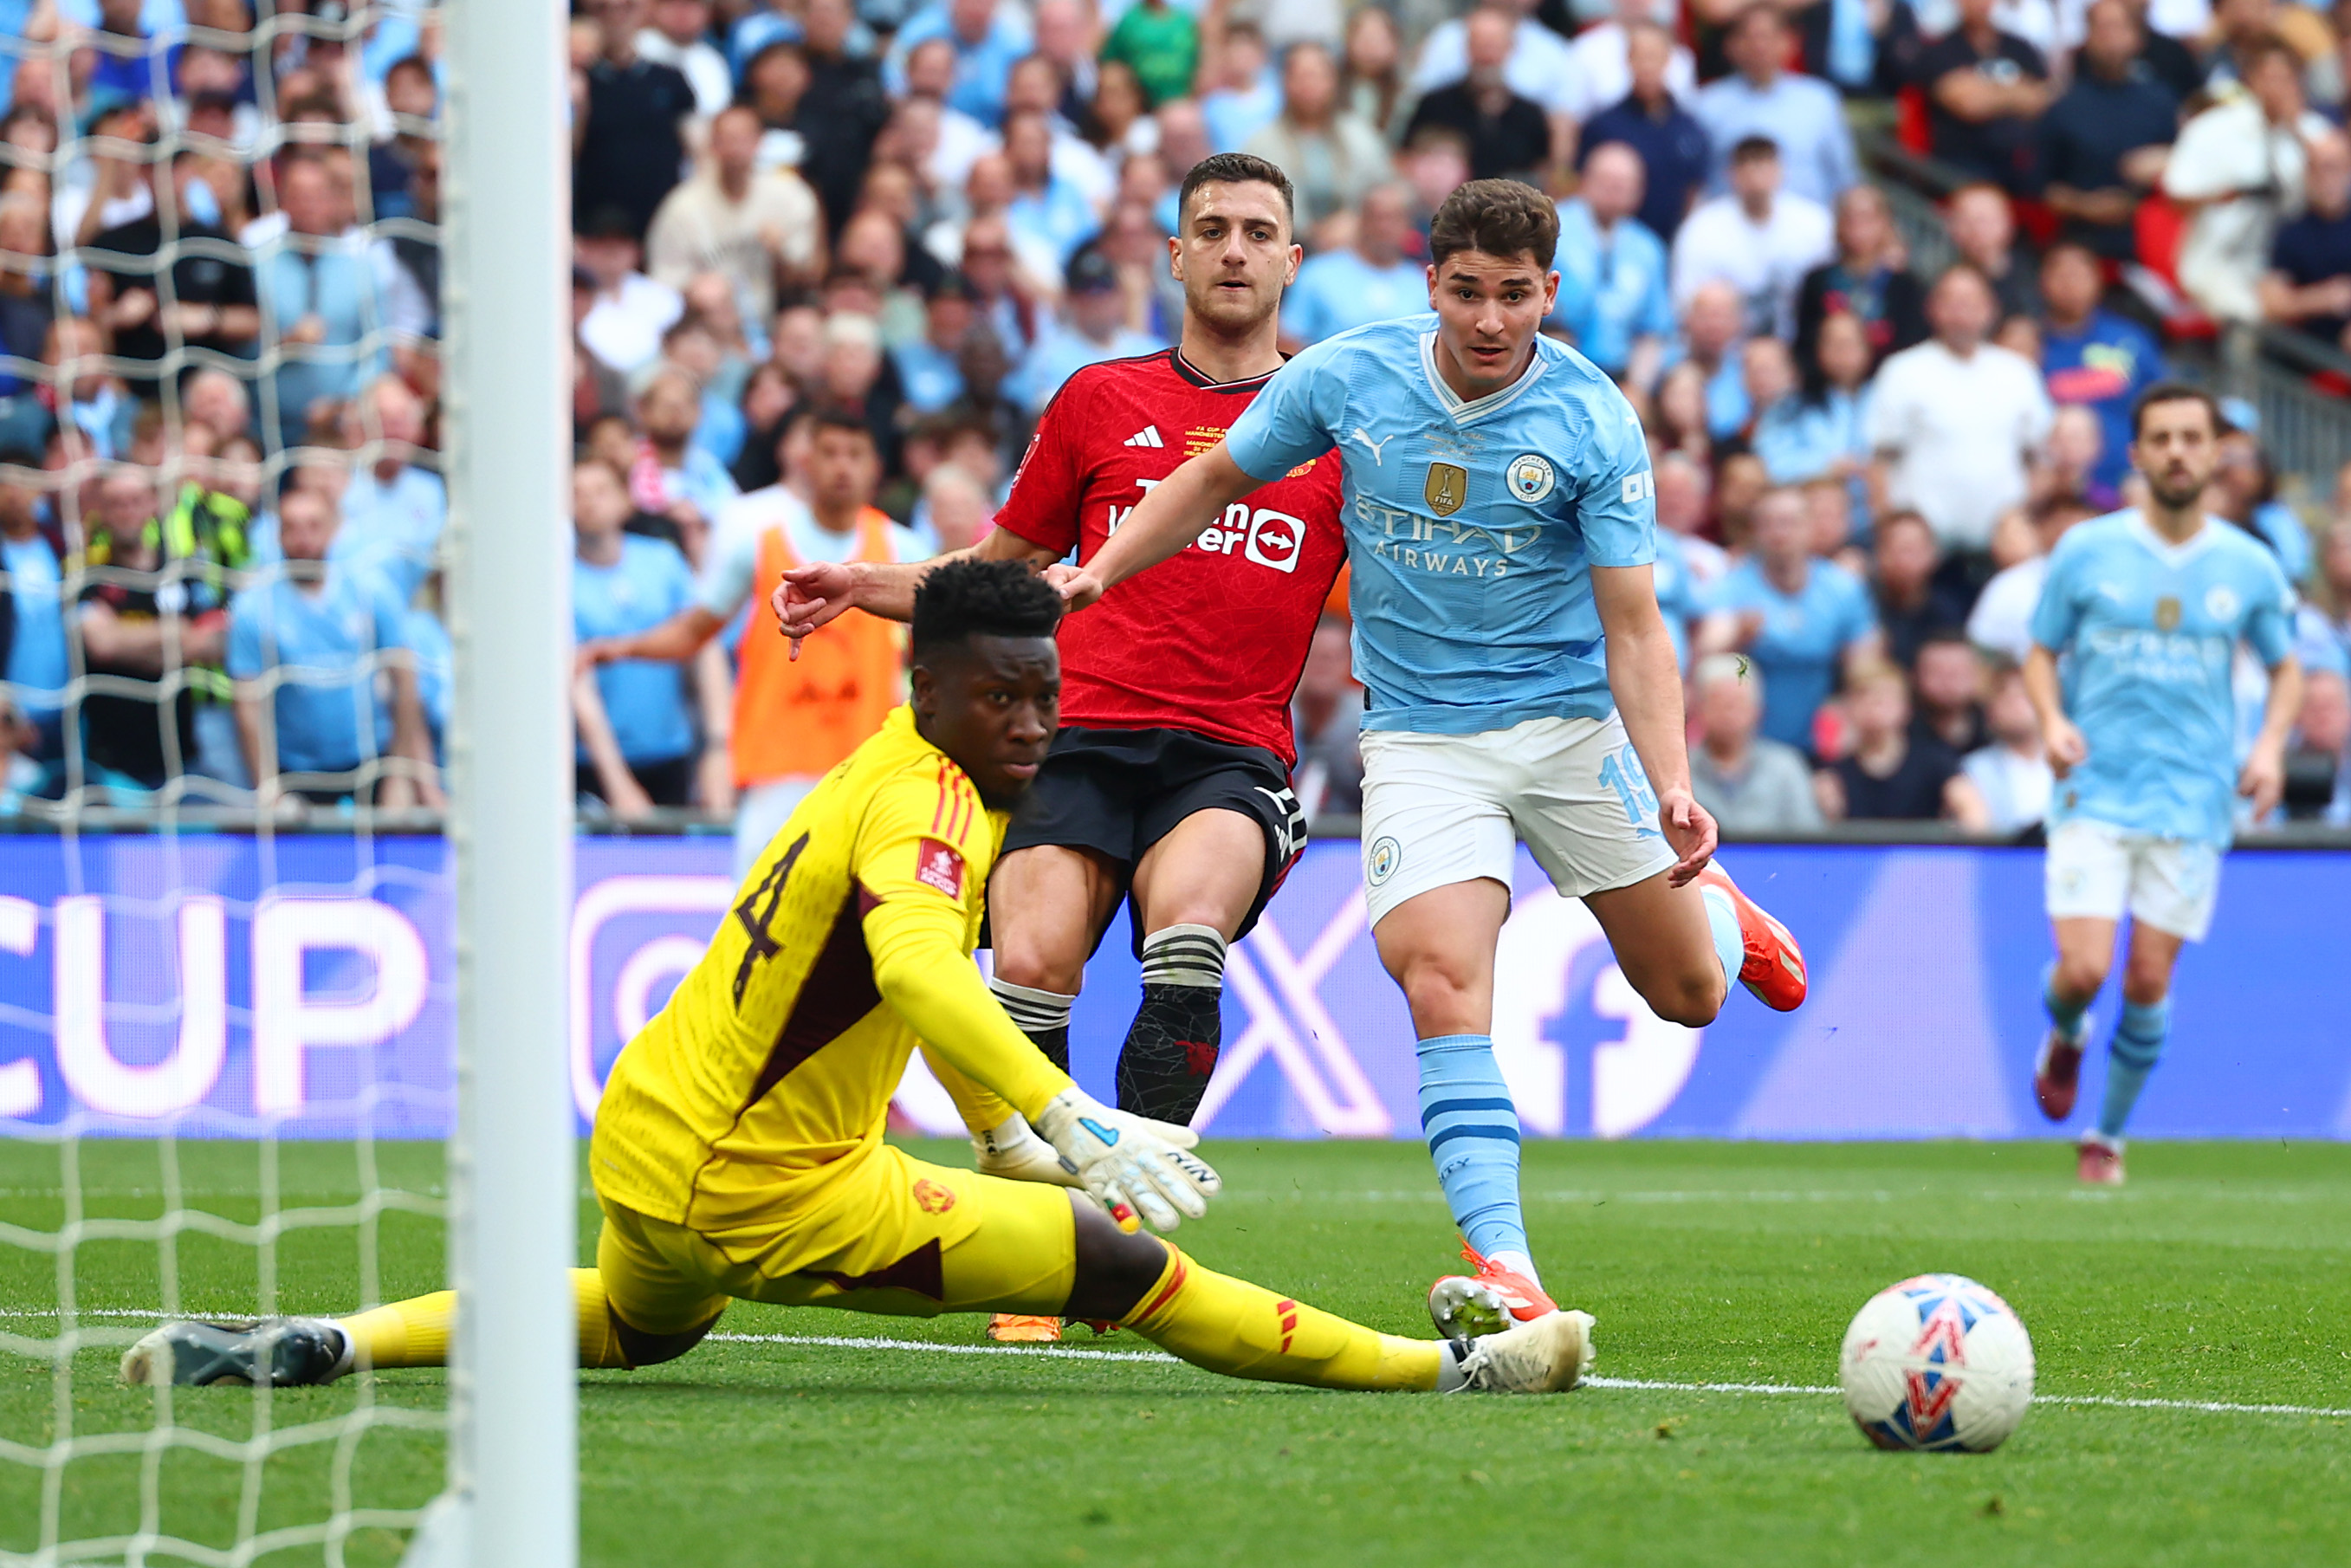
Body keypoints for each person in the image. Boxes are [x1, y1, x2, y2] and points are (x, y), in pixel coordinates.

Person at [124, 560, 1599, 1402]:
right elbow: (916, 965)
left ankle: (325, 1341)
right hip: (767, 1181)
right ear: (929, 690)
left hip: (649, 1135)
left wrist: (1007, 1129)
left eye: (1045, 693)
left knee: (642, 1326)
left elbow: (923, 979)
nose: (1031, 723)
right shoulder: (923, 809)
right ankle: (1445, 1372)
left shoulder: (895, 769)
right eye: (999, 697)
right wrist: (1069, 1120)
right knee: (1125, 1272)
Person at [1039, 178, 1810, 1345]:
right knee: (1440, 978)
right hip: (1418, 739)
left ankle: (1714, 916)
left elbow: (1636, 628)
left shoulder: (1591, 420)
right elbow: (1207, 480)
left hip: (1564, 730)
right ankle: (1505, 1265)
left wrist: (1671, 782)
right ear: (1429, 284)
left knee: (1687, 996)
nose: (1490, 321)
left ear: (1548, 292)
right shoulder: (1352, 377)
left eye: (1515, 297)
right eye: (1466, 293)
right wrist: (1101, 571)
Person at [775, 155, 1348, 1344]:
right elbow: (996, 567)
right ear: (1173, 254)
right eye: (1211, 229)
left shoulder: (1338, 428)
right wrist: (865, 581)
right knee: (1028, 959)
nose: (1234, 249)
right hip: (1074, 738)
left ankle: (1129, 1242)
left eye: (1258, 231)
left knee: (1185, 933)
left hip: (1226, 751)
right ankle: (1048, 1253)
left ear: (1293, 261)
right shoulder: (1097, 399)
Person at [2025, 384, 2303, 1184]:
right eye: (2162, 438)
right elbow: (2041, 651)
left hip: (2193, 799)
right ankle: (2067, 1031)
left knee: (2148, 976)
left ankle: (2105, 1137)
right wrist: (2050, 721)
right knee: (2083, 970)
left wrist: (2271, 748)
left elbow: (2288, 668)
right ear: (2138, 454)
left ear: (2217, 453)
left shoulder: (2248, 565)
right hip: (2094, 789)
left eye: (2192, 437)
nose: (2178, 451)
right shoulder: (2086, 550)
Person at [586, 410, 923, 877]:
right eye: (829, 453)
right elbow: (694, 631)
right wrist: (619, 648)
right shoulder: (758, 542)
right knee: (755, 931)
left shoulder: (902, 550)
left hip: (869, 770)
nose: (842, 467)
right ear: (805, 462)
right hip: (775, 770)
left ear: (876, 467)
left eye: (855, 455)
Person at [227, 485, 440, 810]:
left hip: (372, 760)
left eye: (313, 525)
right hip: (297, 770)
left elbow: (406, 683)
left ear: (332, 531)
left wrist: (400, 777)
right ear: (277, 535)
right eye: (292, 527)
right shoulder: (254, 608)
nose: (303, 538)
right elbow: (247, 704)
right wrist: (268, 788)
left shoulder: (371, 591)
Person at [1868, 266, 2055, 567]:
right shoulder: (1902, 371)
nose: (1961, 311)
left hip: (2002, 546)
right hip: (1924, 552)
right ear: (1932, 309)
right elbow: (1879, 462)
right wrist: (1889, 530)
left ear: (1991, 309)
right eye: (1951, 302)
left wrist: (2022, 515)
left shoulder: (2018, 372)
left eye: (1971, 301)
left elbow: (2042, 460)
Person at [1695, 486, 1880, 752]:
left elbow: (1865, 669)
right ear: (1755, 531)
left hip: (1825, 743)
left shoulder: (1842, 587)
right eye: (1769, 524)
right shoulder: (1732, 587)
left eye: (1790, 523)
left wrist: (1848, 710)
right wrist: (1739, 640)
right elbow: (1708, 654)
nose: (1780, 534)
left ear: (1810, 527)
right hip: (1749, 745)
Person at [2163, 38, 2329, 324]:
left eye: (2285, 78)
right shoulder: (2213, 129)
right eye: (2269, 78)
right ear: (2250, 80)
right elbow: (2175, 194)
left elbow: (2333, 193)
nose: (2276, 88)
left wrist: (2296, 130)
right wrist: (2223, 195)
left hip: (2290, 259)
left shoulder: (2313, 131)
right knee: (2251, 314)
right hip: (2220, 258)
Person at [573, 457, 703, 815]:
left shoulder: (663, 561)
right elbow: (576, 682)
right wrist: (617, 781)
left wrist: (720, 748)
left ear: (624, 501)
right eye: (577, 493)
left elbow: (701, 645)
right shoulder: (559, 578)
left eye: (601, 491)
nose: (589, 501)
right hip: (591, 765)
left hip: (671, 752)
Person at [644, 103, 825, 326]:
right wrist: (699, 292)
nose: (735, 149)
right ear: (712, 145)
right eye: (727, 140)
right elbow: (664, 285)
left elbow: (810, 277)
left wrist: (781, 254)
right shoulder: (682, 207)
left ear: (760, 142)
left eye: (743, 139)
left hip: (774, 319)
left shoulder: (790, 196)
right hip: (703, 326)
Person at [2038, 0, 2181, 263]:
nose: (2110, 38)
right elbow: (2041, 187)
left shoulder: (2162, 102)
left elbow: (2188, 172)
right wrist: (2087, 206)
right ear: (2087, 39)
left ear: (2137, 38)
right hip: (2083, 247)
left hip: (2149, 246)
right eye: (2101, 29)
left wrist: (2163, 161)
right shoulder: (2064, 107)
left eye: (2118, 28)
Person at [1670, 136, 1834, 341]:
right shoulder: (1701, 230)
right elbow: (1685, 306)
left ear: (1780, 170)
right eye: (1747, 166)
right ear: (1730, 174)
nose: (1756, 176)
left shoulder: (1816, 225)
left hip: (1802, 350)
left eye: (1763, 165)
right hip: (1725, 352)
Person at [1691, 5, 1856, 209]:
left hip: (1811, 230)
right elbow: (1696, 183)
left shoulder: (1820, 100)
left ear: (1790, 43)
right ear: (1731, 46)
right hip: (1731, 232)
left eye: (1768, 37)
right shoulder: (1707, 104)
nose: (1759, 47)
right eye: (1750, 38)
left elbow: (1845, 178)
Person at [2040, 243, 2167, 496]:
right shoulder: (2030, 346)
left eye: (2079, 275)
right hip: (2056, 488)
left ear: (2098, 281)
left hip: (2130, 484)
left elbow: (2162, 405)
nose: (2070, 284)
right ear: (2043, 283)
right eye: (2061, 275)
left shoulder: (2130, 340)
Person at [1549, 144, 1673, 387]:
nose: (1615, 190)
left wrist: (1636, 390)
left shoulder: (1648, 248)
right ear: (1584, 179)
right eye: (1607, 180)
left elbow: (1652, 331)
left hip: (1620, 372)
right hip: (1556, 362)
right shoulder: (1551, 230)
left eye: (1625, 184)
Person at [572, 0, 696, 241]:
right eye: (603, 8)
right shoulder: (580, 83)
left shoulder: (669, 80)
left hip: (662, 220)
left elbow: (696, 150)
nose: (616, 17)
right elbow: (568, 153)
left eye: (626, 7)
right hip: (599, 224)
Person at [1578, 22, 1711, 244]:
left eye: (1654, 56)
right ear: (1628, 61)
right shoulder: (1602, 126)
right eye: (1640, 57)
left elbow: (1693, 193)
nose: (1647, 66)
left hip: (1671, 241)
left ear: (1669, 60)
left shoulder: (1690, 129)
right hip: (1613, 243)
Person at [1245, 41, 1392, 232]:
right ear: (1285, 82)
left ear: (1333, 81)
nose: (1309, 85)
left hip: (1356, 242)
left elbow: (1386, 188)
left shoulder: (1359, 135)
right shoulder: (1261, 143)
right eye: (1301, 76)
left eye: (1318, 76)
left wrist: (1357, 221)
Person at [1399, 6, 1555, 186]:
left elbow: (1545, 171)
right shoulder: (1434, 105)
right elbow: (1405, 158)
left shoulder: (1530, 114)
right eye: (1479, 45)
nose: (1486, 56)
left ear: (1510, 49)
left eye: (1494, 46)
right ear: (1467, 48)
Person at [1005, 246, 1165, 416]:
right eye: (1086, 291)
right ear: (1071, 299)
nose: (1096, 300)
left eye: (1104, 290)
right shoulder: (1044, 359)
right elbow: (1020, 407)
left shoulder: (1151, 352)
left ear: (1119, 295)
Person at [1917, 0, 2053, 193]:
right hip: (1965, 161)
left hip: (2021, 158)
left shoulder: (2019, 47)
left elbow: (2043, 100)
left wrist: (1984, 89)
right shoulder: (1941, 50)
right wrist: (2017, 89)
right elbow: (1968, 104)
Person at [1817, 663, 1975, 823]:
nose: (1875, 705)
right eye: (1863, 696)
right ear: (1849, 706)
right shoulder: (1835, 774)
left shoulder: (1935, 762)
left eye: (1885, 698)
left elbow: (1972, 811)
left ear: (1905, 707)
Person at [1793, 185, 1927, 374]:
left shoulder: (1907, 286)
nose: (1858, 228)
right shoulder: (1817, 281)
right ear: (1838, 224)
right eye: (1850, 218)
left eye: (1867, 219)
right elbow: (1805, 346)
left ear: (1885, 223)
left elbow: (1912, 348)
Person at [1687, 654, 1823, 832]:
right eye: (1719, 704)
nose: (1728, 714)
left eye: (1737, 704)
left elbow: (1810, 839)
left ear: (1757, 710)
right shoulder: (1681, 771)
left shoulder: (1785, 768)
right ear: (1699, 709)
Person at [1281, 181, 1426, 346]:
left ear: (1409, 224)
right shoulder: (1316, 274)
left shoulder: (1421, 285)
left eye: (1394, 218)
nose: (1384, 228)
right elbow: (1290, 341)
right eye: (1376, 217)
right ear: (1360, 219)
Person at [2262, 127, 2351, 354]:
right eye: (2317, 168)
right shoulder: (2292, 232)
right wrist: (2321, 298)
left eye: (2334, 167)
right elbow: (2272, 302)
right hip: (2319, 352)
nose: (2326, 178)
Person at [1961, 657, 2054, 832]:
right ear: (1990, 711)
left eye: (2025, 696)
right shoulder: (1973, 769)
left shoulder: (2072, 762)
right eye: (2006, 698)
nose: (2016, 705)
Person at [1291, 614, 1364, 818]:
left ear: (1352, 662)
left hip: (1350, 842)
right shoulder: (1274, 719)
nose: (1323, 666)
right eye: (1314, 655)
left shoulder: (1370, 723)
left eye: (1332, 657)